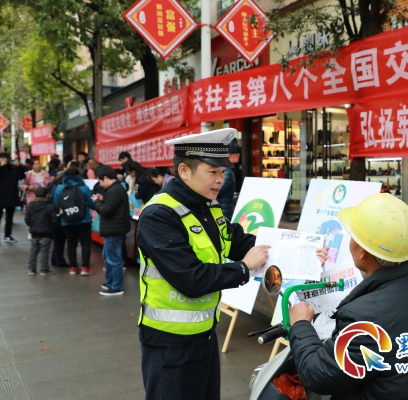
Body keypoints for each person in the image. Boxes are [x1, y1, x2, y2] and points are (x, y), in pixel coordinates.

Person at [136, 128, 329, 400]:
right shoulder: (159, 215)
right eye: (212, 171)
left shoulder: (209, 208)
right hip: (169, 345)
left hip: (204, 336)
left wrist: (304, 253)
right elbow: (191, 278)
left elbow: (242, 242)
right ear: (184, 170)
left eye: (223, 171)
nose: (220, 179)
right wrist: (243, 268)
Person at [287, 193, 408, 400]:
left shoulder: (363, 318)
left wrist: (301, 325)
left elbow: (316, 375)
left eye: (353, 237)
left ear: (362, 252)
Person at [92, 165, 131, 296]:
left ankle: (116, 286)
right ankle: (109, 282)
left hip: (113, 229)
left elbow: (106, 211)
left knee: (114, 259)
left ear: (106, 178)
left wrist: (97, 202)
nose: (100, 184)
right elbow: (111, 206)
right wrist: (103, 200)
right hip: (114, 228)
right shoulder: (116, 189)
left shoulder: (114, 190)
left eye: (100, 181)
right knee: (108, 257)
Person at [53, 164, 96, 275]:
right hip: (83, 220)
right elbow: (92, 203)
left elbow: (56, 204)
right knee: (85, 243)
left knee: (71, 243)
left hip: (66, 220)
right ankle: (85, 268)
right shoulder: (84, 187)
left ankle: (73, 267)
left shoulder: (59, 189)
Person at [24, 187, 58, 276]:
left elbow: (27, 220)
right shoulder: (50, 206)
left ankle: (31, 269)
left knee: (33, 250)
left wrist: (32, 225)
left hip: (34, 232)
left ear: (35, 195)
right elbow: (54, 220)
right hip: (46, 232)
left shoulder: (30, 206)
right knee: (44, 251)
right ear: (46, 194)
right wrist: (53, 228)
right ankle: (44, 269)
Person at [0, 152, 25, 244]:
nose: (5, 160)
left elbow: (22, 176)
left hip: (11, 196)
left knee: (9, 217)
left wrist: (19, 166)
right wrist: (1, 166)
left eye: (6, 158)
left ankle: (7, 235)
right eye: (2, 158)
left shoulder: (13, 169)